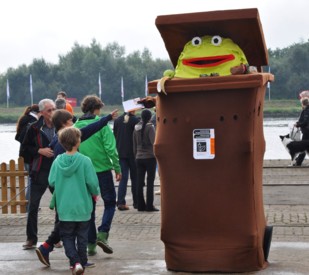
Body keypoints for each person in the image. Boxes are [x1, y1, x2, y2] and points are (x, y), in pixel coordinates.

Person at [35, 108, 118, 267]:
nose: (74, 123)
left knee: (65, 225)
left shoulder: (59, 141)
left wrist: (106, 118)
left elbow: (89, 129)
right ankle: (74, 259)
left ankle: (52, 249)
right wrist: (92, 192)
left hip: (64, 195)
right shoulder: (71, 148)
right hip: (74, 195)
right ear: (65, 124)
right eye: (71, 121)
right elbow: (86, 181)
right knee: (71, 227)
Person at [74, 95, 121, 256]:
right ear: (97, 109)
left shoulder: (76, 126)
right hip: (103, 171)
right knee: (109, 203)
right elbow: (110, 148)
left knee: (89, 209)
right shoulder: (102, 125)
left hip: (84, 173)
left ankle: (91, 244)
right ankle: (103, 233)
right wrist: (117, 168)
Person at [48, 127, 100, 274]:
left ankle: (75, 262)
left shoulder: (58, 161)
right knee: (82, 236)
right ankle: (81, 262)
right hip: (83, 205)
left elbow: (51, 181)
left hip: (64, 207)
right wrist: (95, 193)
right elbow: (93, 184)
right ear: (78, 141)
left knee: (67, 237)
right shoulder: (85, 161)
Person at [21, 99, 56, 249]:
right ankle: (31, 238)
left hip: (57, 170)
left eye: (54, 109)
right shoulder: (33, 128)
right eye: (49, 110)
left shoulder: (61, 125)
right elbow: (23, 150)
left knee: (61, 206)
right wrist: (38, 151)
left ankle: (57, 237)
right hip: (40, 171)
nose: (53, 113)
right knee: (33, 205)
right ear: (42, 113)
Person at [133, 109, 159, 212]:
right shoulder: (150, 127)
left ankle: (140, 206)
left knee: (139, 183)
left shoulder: (136, 128)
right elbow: (154, 143)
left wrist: (136, 156)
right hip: (150, 158)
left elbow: (134, 144)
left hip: (139, 158)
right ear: (149, 117)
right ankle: (149, 206)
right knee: (150, 182)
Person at [15, 104, 40, 210]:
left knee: (31, 179)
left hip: (24, 154)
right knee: (33, 180)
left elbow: (18, 136)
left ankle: (28, 204)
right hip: (30, 156)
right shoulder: (31, 121)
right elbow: (22, 137)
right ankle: (29, 205)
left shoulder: (25, 119)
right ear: (38, 113)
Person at [113, 110, 140, 210]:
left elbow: (115, 135)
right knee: (135, 179)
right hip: (133, 153)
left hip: (120, 152)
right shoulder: (135, 121)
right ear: (133, 110)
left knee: (123, 179)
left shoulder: (117, 120)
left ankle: (120, 202)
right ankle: (136, 203)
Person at [294, 97, 309, 166]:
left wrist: (298, 124)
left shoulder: (306, 110)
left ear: (303, 104)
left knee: (303, 146)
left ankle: (298, 162)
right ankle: (298, 160)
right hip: (307, 131)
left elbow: (305, 121)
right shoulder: (306, 110)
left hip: (307, 131)